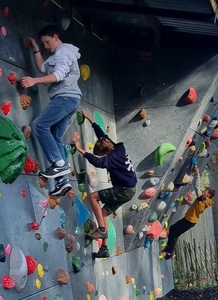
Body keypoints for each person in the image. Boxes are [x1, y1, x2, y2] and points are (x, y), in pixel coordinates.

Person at [20, 25, 82, 197]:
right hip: (71, 100)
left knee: (39, 125)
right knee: (55, 136)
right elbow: (43, 68)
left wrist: (34, 81)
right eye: (44, 44)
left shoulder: (64, 51)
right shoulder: (58, 55)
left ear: (56, 36)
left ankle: (59, 164)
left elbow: (57, 75)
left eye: (47, 42)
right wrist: (35, 49)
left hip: (65, 98)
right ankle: (63, 181)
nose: (47, 46)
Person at [72, 111, 137, 258]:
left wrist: (79, 149)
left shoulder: (111, 158)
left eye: (101, 154)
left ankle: (102, 229)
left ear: (104, 153)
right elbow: (102, 135)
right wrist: (89, 119)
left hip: (124, 189)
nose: (102, 157)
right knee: (103, 213)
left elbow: (97, 162)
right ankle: (104, 249)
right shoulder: (117, 148)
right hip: (130, 189)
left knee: (93, 197)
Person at [161, 167, 215, 259]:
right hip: (188, 219)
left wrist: (197, 174)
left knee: (174, 234)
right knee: (172, 228)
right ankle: (168, 248)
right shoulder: (203, 201)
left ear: (208, 195)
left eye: (205, 190)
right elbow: (195, 206)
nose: (203, 191)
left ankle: (170, 252)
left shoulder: (203, 199)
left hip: (189, 222)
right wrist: (186, 202)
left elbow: (196, 187)